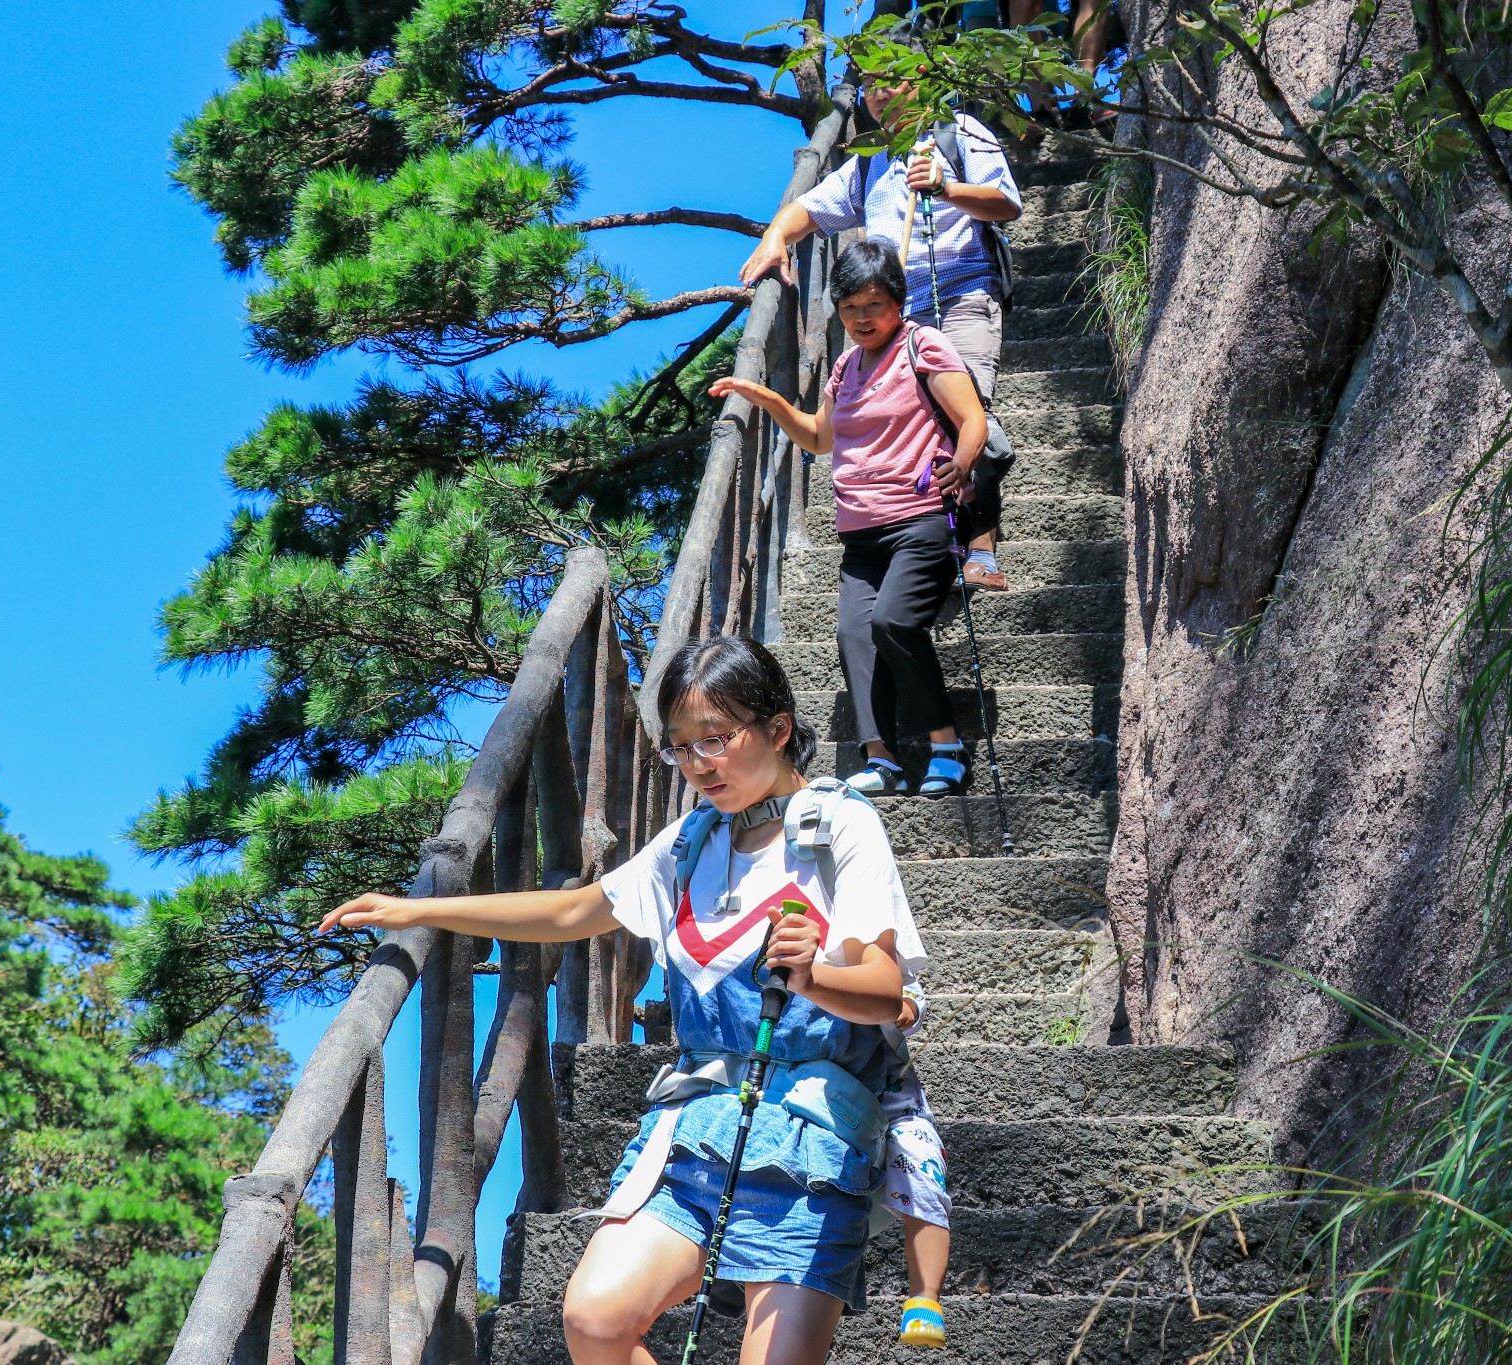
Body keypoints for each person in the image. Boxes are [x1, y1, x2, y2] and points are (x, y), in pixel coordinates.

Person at [317, 636, 925, 1365]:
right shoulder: (693, 841)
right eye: (681, 748)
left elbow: (888, 992)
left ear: (779, 727)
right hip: (695, 1128)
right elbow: (577, 912)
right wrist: (425, 909)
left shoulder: (842, 826)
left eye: (718, 739)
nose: (701, 764)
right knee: (595, 1319)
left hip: (814, 1135)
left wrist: (814, 979)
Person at [710, 242, 988, 799]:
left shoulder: (922, 345)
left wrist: (960, 463)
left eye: (875, 304)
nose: (863, 318)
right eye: (850, 308)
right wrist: (764, 396)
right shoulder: (845, 364)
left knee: (893, 624)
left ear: (899, 303)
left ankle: (947, 747)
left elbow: (972, 418)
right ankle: (881, 759)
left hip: (920, 519)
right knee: (854, 635)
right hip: (859, 532)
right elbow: (819, 436)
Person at [740, 75, 1020, 592]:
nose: (881, 93)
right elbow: (811, 208)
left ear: (922, 79)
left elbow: (1006, 203)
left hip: (962, 298)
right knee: (901, 425)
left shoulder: (961, 132)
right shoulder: (871, 160)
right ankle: (924, 544)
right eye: (871, 85)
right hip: (892, 315)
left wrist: (947, 187)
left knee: (965, 413)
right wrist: (777, 234)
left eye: (894, 79)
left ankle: (980, 547)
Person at [881, 980, 954, 1348]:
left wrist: (903, 1004)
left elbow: (908, 995)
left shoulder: (870, 937)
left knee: (923, 1171)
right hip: (805, 1099)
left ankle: (925, 1296)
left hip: (895, 1103)